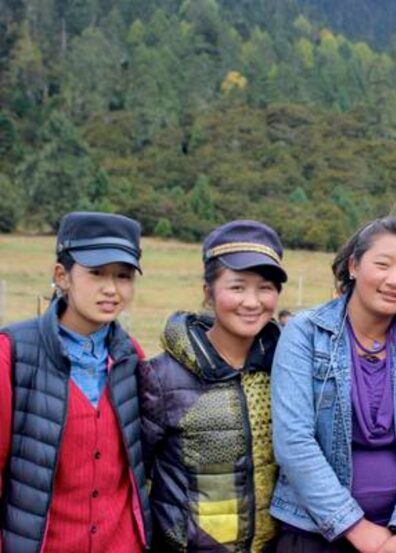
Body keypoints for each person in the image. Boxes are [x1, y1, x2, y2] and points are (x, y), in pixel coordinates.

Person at [270, 216, 396, 553]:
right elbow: (293, 441)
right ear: (353, 265)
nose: (395, 280)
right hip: (318, 532)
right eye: (382, 265)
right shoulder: (305, 333)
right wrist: (354, 527)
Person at [0, 212, 151, 553]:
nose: (111, 289)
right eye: (96, 273)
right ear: (61, 276)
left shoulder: (130, 357)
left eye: (123, 276)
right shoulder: (12, 355)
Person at [138, 220, 286, 552]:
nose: (252, 302)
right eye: (237, 287)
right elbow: (136, 480)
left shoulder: (285, 370)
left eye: (265, 287)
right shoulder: (162, 377)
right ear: (208, 292)